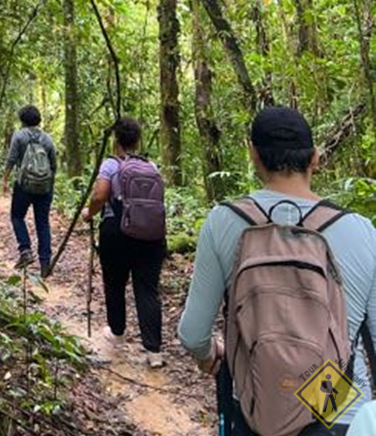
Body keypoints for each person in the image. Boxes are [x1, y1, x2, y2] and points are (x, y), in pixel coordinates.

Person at [178, 106, 376, 436]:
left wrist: (209, 354)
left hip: (257, 406)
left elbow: (193, 333)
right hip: (337, 408)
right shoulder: (360, 230)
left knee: (273, 406)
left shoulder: (224, 221)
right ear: (315, 158)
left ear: (253, 155)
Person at [82, 116, 166, 368]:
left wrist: (89, 213)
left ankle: (117, 332)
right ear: (138, 141)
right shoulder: (151, 166)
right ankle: (154, 351)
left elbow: (100, 195)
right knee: (147, 289)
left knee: (115, 283)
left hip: (116, 232)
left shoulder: (110, 165)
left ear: (116, 140)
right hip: (151, 236)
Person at [1, 105, 57, 279]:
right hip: (44, 187)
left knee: (17, 216)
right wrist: (49, 185)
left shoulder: (19, 136)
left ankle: (25, 250)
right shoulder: (47, 139)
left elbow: (11, 159)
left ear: (22, 120)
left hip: (24, 186)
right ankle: (45, 264)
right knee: (43, 223)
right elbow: (53, 165)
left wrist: (5, 180)